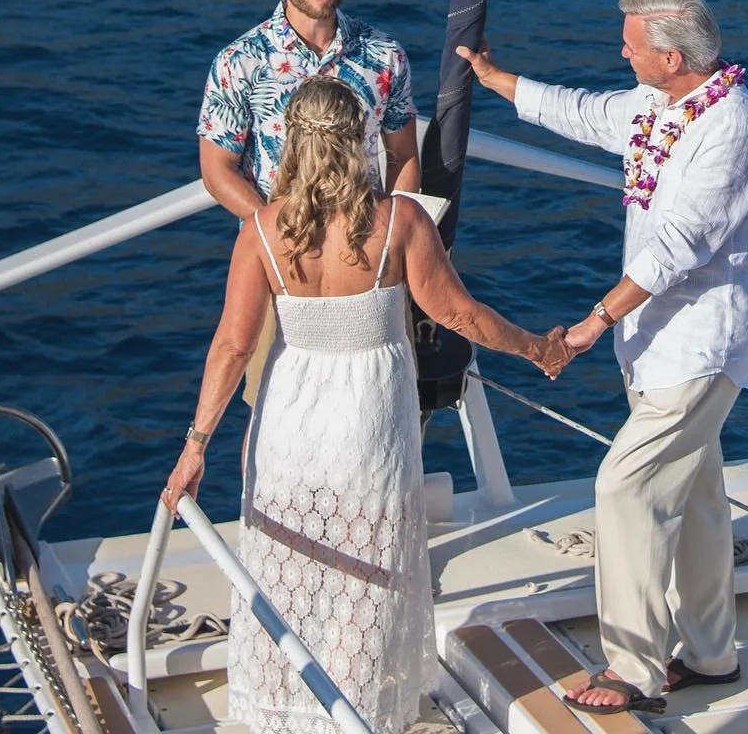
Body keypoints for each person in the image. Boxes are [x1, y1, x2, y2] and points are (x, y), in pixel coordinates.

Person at [164, 77, 571, 734]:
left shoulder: (263, 231)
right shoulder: (399, 222)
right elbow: (459, 315)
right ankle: (357, 716)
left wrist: (194, 446)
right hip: (369, 427)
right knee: (365, 581)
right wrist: (536, 349)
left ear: (290, 145)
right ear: (360, 145)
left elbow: (233, 346)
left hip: (289, 423)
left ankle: (287, 715)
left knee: (287, 568)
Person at [457, 0, 748, 715]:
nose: (620, 53)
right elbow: (583, 111)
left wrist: (592, 321)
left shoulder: (733, 127)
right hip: (654, 348)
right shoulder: (655, 107)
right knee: (693, 499)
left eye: (630, 45)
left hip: (700, 350)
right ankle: (711, 653)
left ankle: (633, 669)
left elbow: (679, 246)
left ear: (670, 56)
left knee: (624, 487)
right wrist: (498, 80)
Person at [197, 0, 420, 403]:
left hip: (368, 261)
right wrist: (275, 228)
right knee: (270, 407)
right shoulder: (241, 62)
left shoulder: (384, 55)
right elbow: (216, 168)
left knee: (383, 397)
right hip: (280, 269)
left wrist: (397, 241)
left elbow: (403, 155)